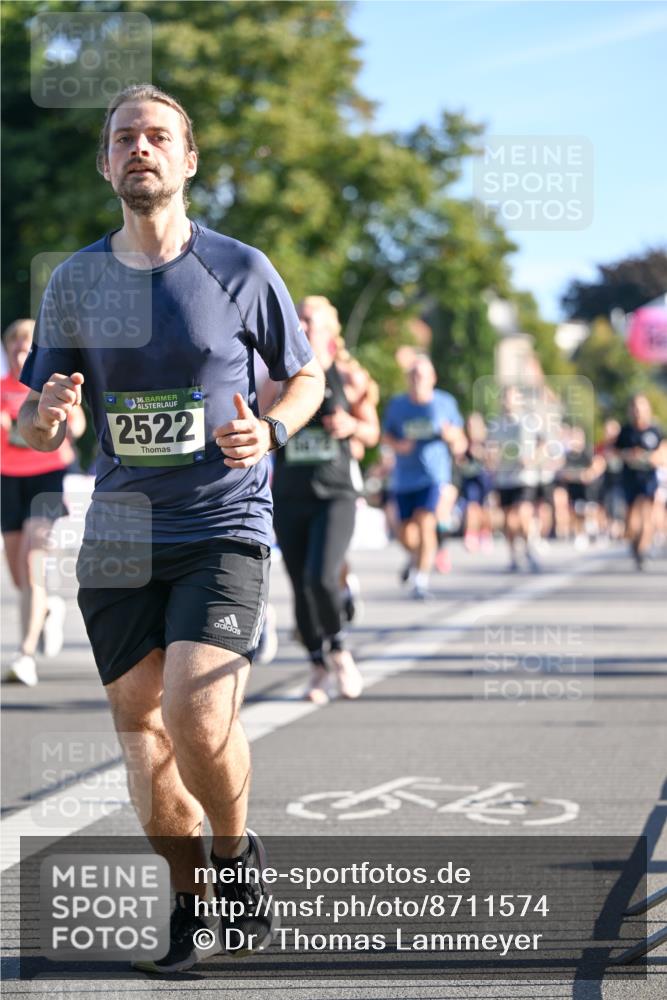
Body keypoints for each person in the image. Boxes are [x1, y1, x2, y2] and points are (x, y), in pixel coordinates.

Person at [18, 84, 324, 973]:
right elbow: (34, 425)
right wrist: (50, 416)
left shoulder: (239, 266)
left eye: (158, 136)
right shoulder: (76, 279)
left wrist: (271, 428)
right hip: (118, 534)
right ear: (107, 163)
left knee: (195, 713)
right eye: (124, 138)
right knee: (141, 735)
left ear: (187, 161)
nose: (140, 149)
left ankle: (232, 854)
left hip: (222, 522)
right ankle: (192, 903)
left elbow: (302, 379)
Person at [271, 296, 379, 703]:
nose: (300, 323)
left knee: (321, 576)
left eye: (309, 318)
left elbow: (372, 433)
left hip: (335, 493)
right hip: (289, 493)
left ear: (330, 330)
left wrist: (351, 424)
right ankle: (317, 665)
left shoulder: (350, 377)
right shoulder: (278, 375)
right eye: (296, 316)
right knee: (300, 585)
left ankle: (339, 650)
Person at [1, 318, 85, 685]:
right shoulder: (1, 389)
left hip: (47, 478)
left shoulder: (50, 385)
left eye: (26, 344)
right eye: (14, 344)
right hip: (8, 480)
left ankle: (25, 655)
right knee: (19, 574)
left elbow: (78, 428)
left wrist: (53, 417)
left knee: (33, 563)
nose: (21, 349)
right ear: (6, 351)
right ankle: (46, 608)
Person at [382, 355, 465, 599]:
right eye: (414, 374)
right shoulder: (398, 405)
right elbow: (385, 436)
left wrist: (452, 437)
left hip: (433, 476)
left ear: (432, 378)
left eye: (422, 375)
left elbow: (461, 440)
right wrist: (399, 446)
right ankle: (414, 557)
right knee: (405, 533)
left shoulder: (444, 403)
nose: (418, 379)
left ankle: (421, 580)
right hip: (404, 477)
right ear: (408, 379)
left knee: (426, 523)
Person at [614, 394, 665, 569]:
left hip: (648, 479)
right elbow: (615, 452)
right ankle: (636, 545)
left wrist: (650, 457)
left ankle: (643, 550)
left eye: (640, 407)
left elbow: (663, 453)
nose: (637, 411)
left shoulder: (655, 430)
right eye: (634, 408)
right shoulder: (626, 431)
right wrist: (629, 455)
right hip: (629, 479)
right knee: (631, 520)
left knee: (646, 515)